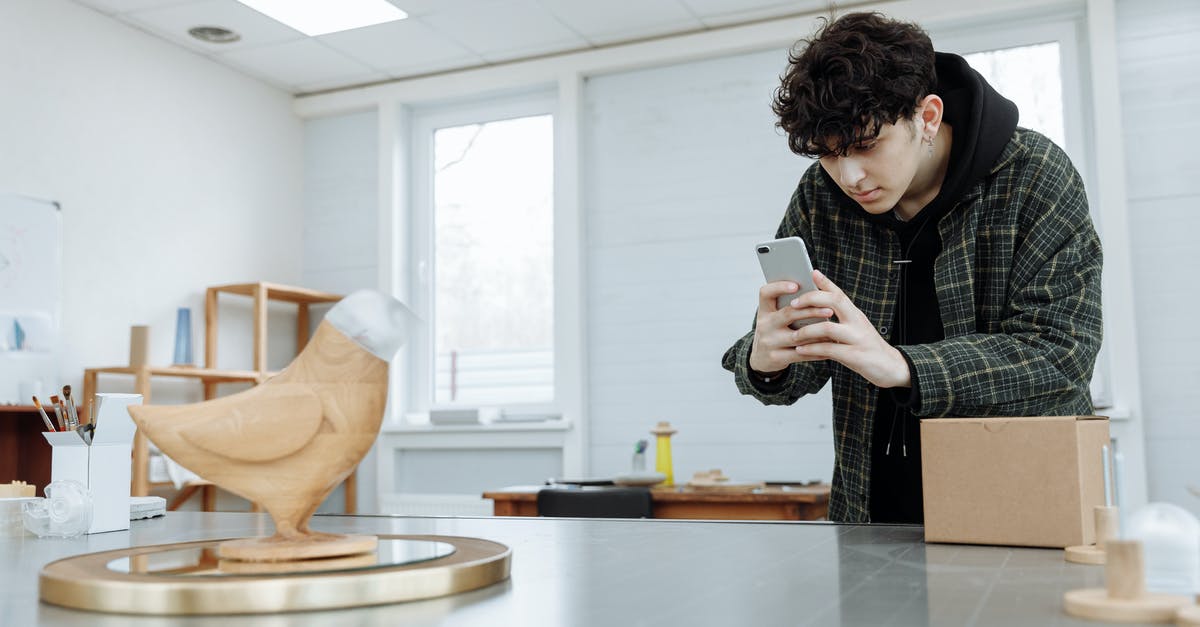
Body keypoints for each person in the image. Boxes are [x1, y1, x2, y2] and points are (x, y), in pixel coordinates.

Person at [721, 12, 1103, 524]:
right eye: (829, 156)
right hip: (870, 507)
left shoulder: (1033, 175)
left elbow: (1061, 355)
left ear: (926, 117)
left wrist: (903, 366)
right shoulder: (821, 195)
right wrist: (767, 361)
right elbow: (808, 361)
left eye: (866, 146)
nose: (850, 176)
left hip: (1019, 493)